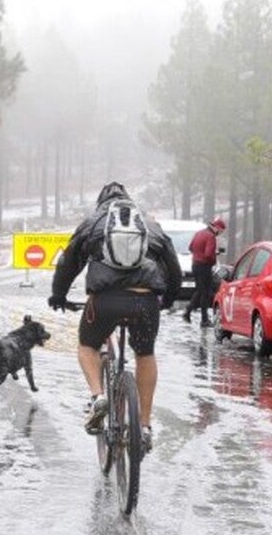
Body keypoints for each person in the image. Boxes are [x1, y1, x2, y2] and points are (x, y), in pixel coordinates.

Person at [48, 182, 181, 453]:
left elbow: (69, 261)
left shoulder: (95, 221)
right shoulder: (148, 223)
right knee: (145, 353)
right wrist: (168, 297)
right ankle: (144, 427)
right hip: (145, 302)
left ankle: (98, 396)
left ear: (101, 202)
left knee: (87, 345)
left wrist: (58, 294)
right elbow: (173, 264)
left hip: (105, 302)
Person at [183, 217, 226, 327]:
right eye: (220, 231)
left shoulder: (199, 233)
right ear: (217, 228)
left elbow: (191, 247)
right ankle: (204, 320)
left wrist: (199, 254)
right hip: (204, 267)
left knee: (200, 290)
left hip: (195, 265)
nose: (219, 234)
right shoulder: (211, 236)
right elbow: (208, 255)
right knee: (205, 293)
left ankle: (188, 311)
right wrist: (213, 259)